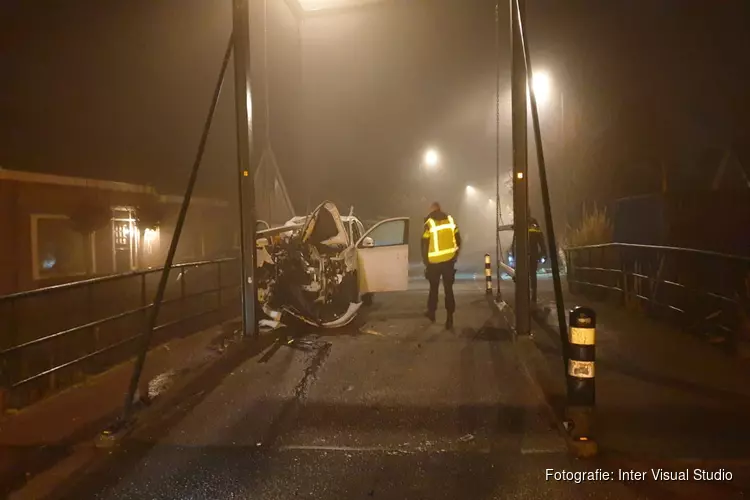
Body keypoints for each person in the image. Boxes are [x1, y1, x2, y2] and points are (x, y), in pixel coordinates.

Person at [421, 202, 462, 329]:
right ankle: (450, 318)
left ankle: (431, 312)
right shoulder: (450, 220)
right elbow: (458, 239)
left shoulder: (429, 223)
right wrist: (455, 256)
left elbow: (424, 243)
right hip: (449, 261)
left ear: (432, 209)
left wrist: (426, 262)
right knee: (448, 290)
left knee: (433, 288)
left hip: (434, 262)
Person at [510, 217, 548, 304]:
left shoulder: (520, 222)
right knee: (532, 275)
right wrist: (544, 253)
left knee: (525, 275)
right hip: (531, 254)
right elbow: (541, 239)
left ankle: (528, 295)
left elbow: (514, 241)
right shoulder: (533, 222)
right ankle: (532, 295)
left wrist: (513, 253)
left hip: (522, 255)